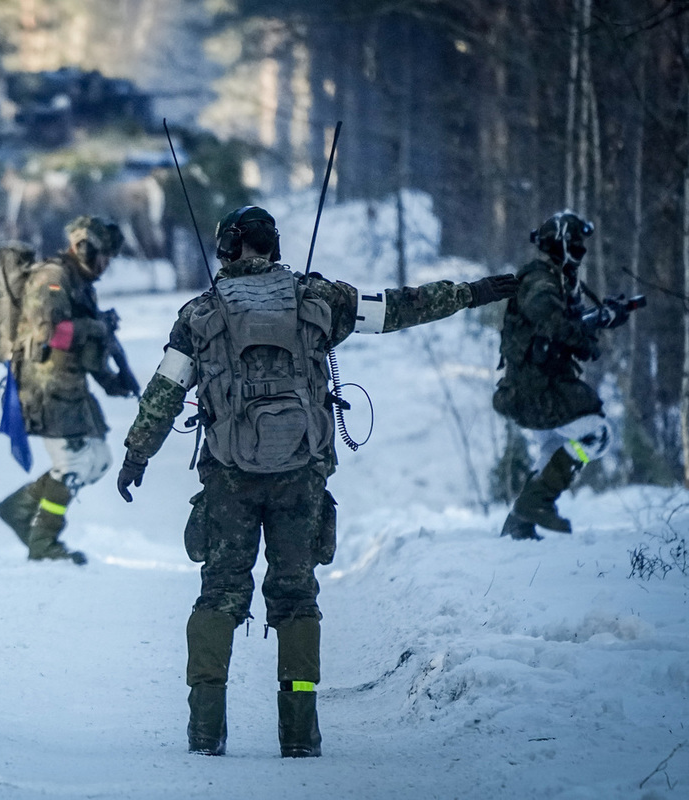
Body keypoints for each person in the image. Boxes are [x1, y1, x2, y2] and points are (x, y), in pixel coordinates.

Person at [115, 205, 518, 758]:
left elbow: (165, 392)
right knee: (297, 596)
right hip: (301, 474)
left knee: (220, 592)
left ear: (227, 250)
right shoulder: (320, 301)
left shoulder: (199, 314)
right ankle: (299, 734)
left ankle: (206, 730)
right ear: (273, 246)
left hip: (229, 477)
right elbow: (398, 309)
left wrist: (136, 455)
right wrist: (472, 292)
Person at [0, 215, 133, 565]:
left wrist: (113, 379)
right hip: (44, 387)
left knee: (98, 460)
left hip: (70, 384)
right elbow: (52, 334)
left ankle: (19, 509)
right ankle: (43, 540)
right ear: (84, 248)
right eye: (104, 256)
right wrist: (96, 327)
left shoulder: (80, 283)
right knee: (72, 464)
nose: (106, 265)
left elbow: (87, 345)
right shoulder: (51, 278)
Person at [493, 210, 630, 540]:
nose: (581, 256)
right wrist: (583, 335)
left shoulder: (554, 282)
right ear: (562, 247)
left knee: (555, 447)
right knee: (596, 434)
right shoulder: (540, 281)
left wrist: (602, 317)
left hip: (534, 389)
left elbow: (563, 322)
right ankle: (534, 503)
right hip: (535, 392)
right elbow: (548, 317)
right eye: (578, 249)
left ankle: (518, 524)